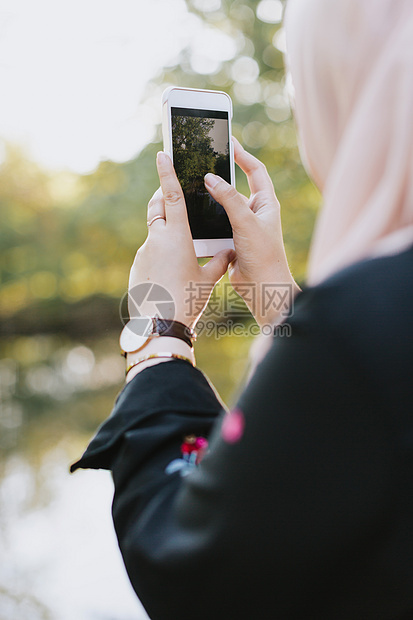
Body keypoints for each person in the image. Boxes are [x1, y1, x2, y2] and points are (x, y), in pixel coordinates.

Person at [71, 0, 413, 618]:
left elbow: (192, 566)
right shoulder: (369, 323)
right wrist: (278, 297)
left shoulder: (363, 319)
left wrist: (159, 329)